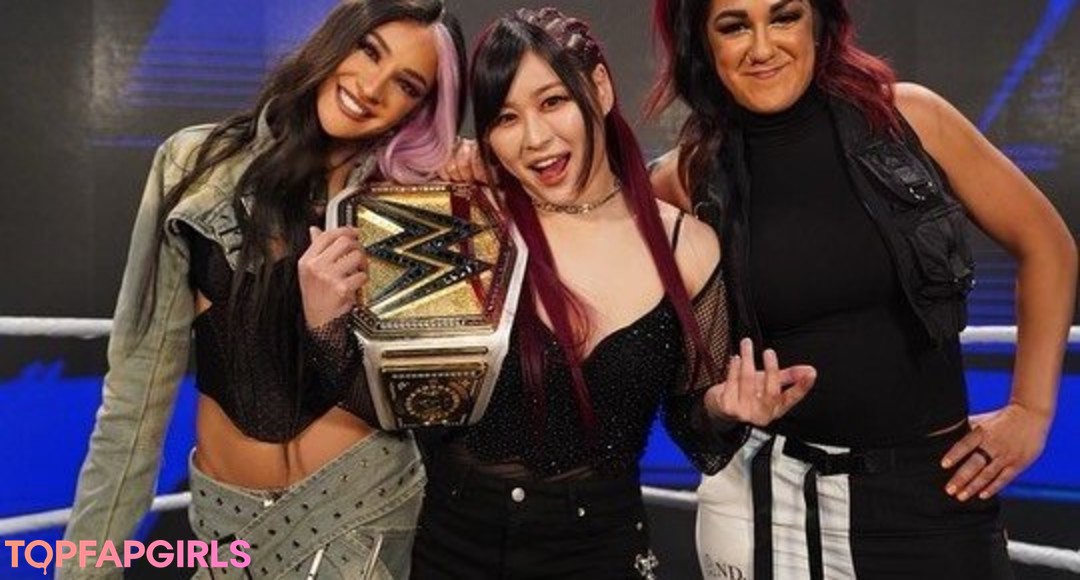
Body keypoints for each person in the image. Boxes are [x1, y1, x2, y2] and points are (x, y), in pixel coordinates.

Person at [648, 0, 1077, 578]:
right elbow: (674, 383)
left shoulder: (908, 117)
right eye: (734, 26)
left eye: (784, 17)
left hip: (938, 496)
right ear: (701, 43)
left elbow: (1047, 243)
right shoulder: (684, 178)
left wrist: (1032, 409)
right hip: (776, 503)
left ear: (818, 22)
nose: (762, 47)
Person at [61, 1, 466, 578]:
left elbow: (422, 405)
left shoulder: (414, 200)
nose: (371, 88)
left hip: (363, 518)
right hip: (227, 526)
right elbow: (136, 393)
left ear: (420, 110)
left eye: (406, 84)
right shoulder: (194, 164)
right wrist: (84, 568)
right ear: (336, 39)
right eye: (368, 50)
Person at [410, 8, 816, 580]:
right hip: (453, 550)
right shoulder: (468, 223)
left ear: (599, 88)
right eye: (506, 117)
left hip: (601, 553)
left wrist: (722, 409)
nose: (535, 138)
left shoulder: (687, 248)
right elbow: (388, 397)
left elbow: (695, 431)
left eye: (553, 101)